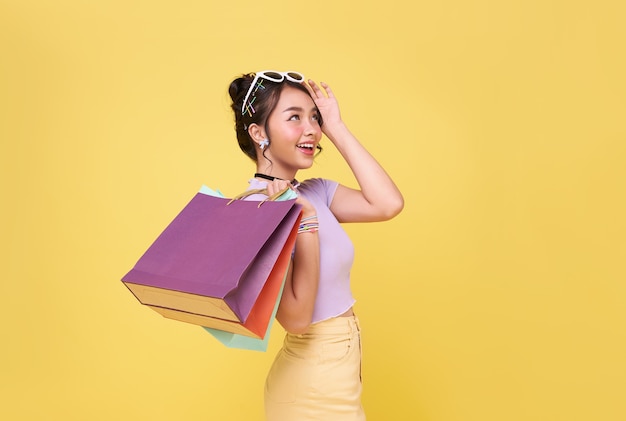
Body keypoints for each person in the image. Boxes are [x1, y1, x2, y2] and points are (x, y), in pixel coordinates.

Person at [228, 70, 404, 420]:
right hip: (311, 386)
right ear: (259, 132)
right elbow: (294, 319)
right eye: (294, 117)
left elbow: (387, 204)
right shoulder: (257, 211)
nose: (311, 129)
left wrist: (337, 126)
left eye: (315, 117)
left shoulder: (314, 192)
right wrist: (304, 228)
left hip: (337, 372)